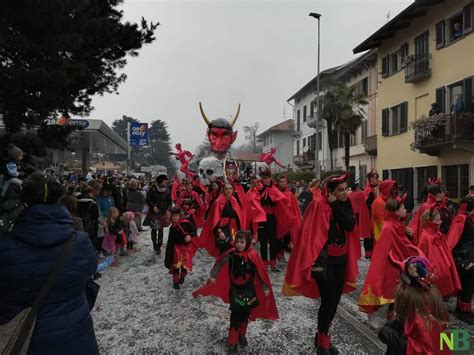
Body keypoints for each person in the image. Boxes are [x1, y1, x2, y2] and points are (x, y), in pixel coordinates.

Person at [0, 173, 99, 354]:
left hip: (22, 340)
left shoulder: (5, 247)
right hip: (75, 334)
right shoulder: (80, 241)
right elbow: (90, 270)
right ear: (58, 198)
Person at [283, 173, 359, 354]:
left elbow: (350, 225)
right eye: (340, 190)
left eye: (346, 189)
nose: (344, 193)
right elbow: (311, 234)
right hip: (324, 261)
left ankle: (321, 335)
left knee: (335, 301)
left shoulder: (344, 204)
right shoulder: (318, 205)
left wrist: (335, 205)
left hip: (341, 259)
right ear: (330, 191)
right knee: (328, 300)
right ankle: (323, 344)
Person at [193, 230, 278, 353]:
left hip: (249, 289)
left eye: (242, 242)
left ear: (247, 242)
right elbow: (220, 263)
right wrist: (213, 275)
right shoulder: (231, 254)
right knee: (235, 315)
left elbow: (260, 274)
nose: (239, 244)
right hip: (235, 289)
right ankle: (232, 341)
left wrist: (265, 288)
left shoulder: (253, 256)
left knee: (245, 314)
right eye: (237, 241)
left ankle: (242, 335)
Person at [358, 195, 421, 319]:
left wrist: (411, 235)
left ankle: (395, 322)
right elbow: (386, 251)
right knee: (392, 296)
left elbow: (405, 245)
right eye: (403, 209)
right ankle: (392, 323)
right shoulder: (389, 228)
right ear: (396, 212)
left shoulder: (398, 225)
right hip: (392, 268)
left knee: (396, 297)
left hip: (400, 266)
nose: (405, 211)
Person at [378, 255, 450, 355]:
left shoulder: (418, 309)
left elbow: (423, 350)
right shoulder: (429, 299)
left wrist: (391, 337)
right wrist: (398, 324)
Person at [417, 205, 461, 298]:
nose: (440, 222)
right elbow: (423, 256)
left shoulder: (436, 233)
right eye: (437, 220)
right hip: (433, 271)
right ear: (429, 220)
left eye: (440, 219)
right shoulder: (426, 236)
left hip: (441, 268)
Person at [447, 197, 474, 324]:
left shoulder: (466, 218)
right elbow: (452, 240)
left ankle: (464, 308)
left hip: (469, 255)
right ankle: (463, 310)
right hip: (465, 257)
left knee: (469, 284)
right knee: (467, 284)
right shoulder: (461, 219)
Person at [200, 183, 243, 257]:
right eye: (226, 189)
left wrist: (240, 231)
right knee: (223, 249)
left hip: (233, 228)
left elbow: (238, 217)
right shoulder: (218, 202)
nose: (228, 191)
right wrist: (219, 231)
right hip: (222, 228)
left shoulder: (235, 201)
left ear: (232, 190)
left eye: (230, 189)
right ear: (223, 190)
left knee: (233, 249)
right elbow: (215, 218)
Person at [164, 207, 198, 290]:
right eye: (173, 216)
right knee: (176, 266)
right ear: (171, 217)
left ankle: (182, 277)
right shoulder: (172, 228)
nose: (175, 218)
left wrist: (190, 236)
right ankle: (175, 282)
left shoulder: (186, 223)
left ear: (180, 216)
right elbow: (170, 241)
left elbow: (194, 230)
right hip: (177, 249)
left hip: (186, 248)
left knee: (184, 265)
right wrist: (169, 252)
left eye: (177, 216)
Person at [146, 175, 172, 255]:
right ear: (161, 181)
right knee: (154, 229)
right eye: (165, 181)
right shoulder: (153, 189)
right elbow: (148, 199)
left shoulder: (167, 190)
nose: (166, 182)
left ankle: (159, 246)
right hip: (154, 213)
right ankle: (154, 245)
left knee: (160, 230)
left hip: (162, 213)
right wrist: (153, 206)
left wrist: (167, 210)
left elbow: (169, 201)